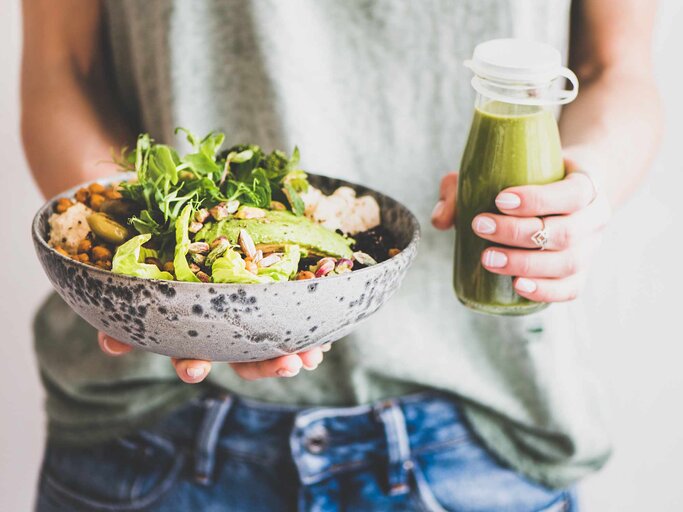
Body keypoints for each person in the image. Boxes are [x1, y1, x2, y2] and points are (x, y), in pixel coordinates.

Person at [22, 0, 661, 510]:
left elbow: (617, 67)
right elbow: (61, 67)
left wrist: (582, 191)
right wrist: (120, 267)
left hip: (480, 431)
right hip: (150, 432)